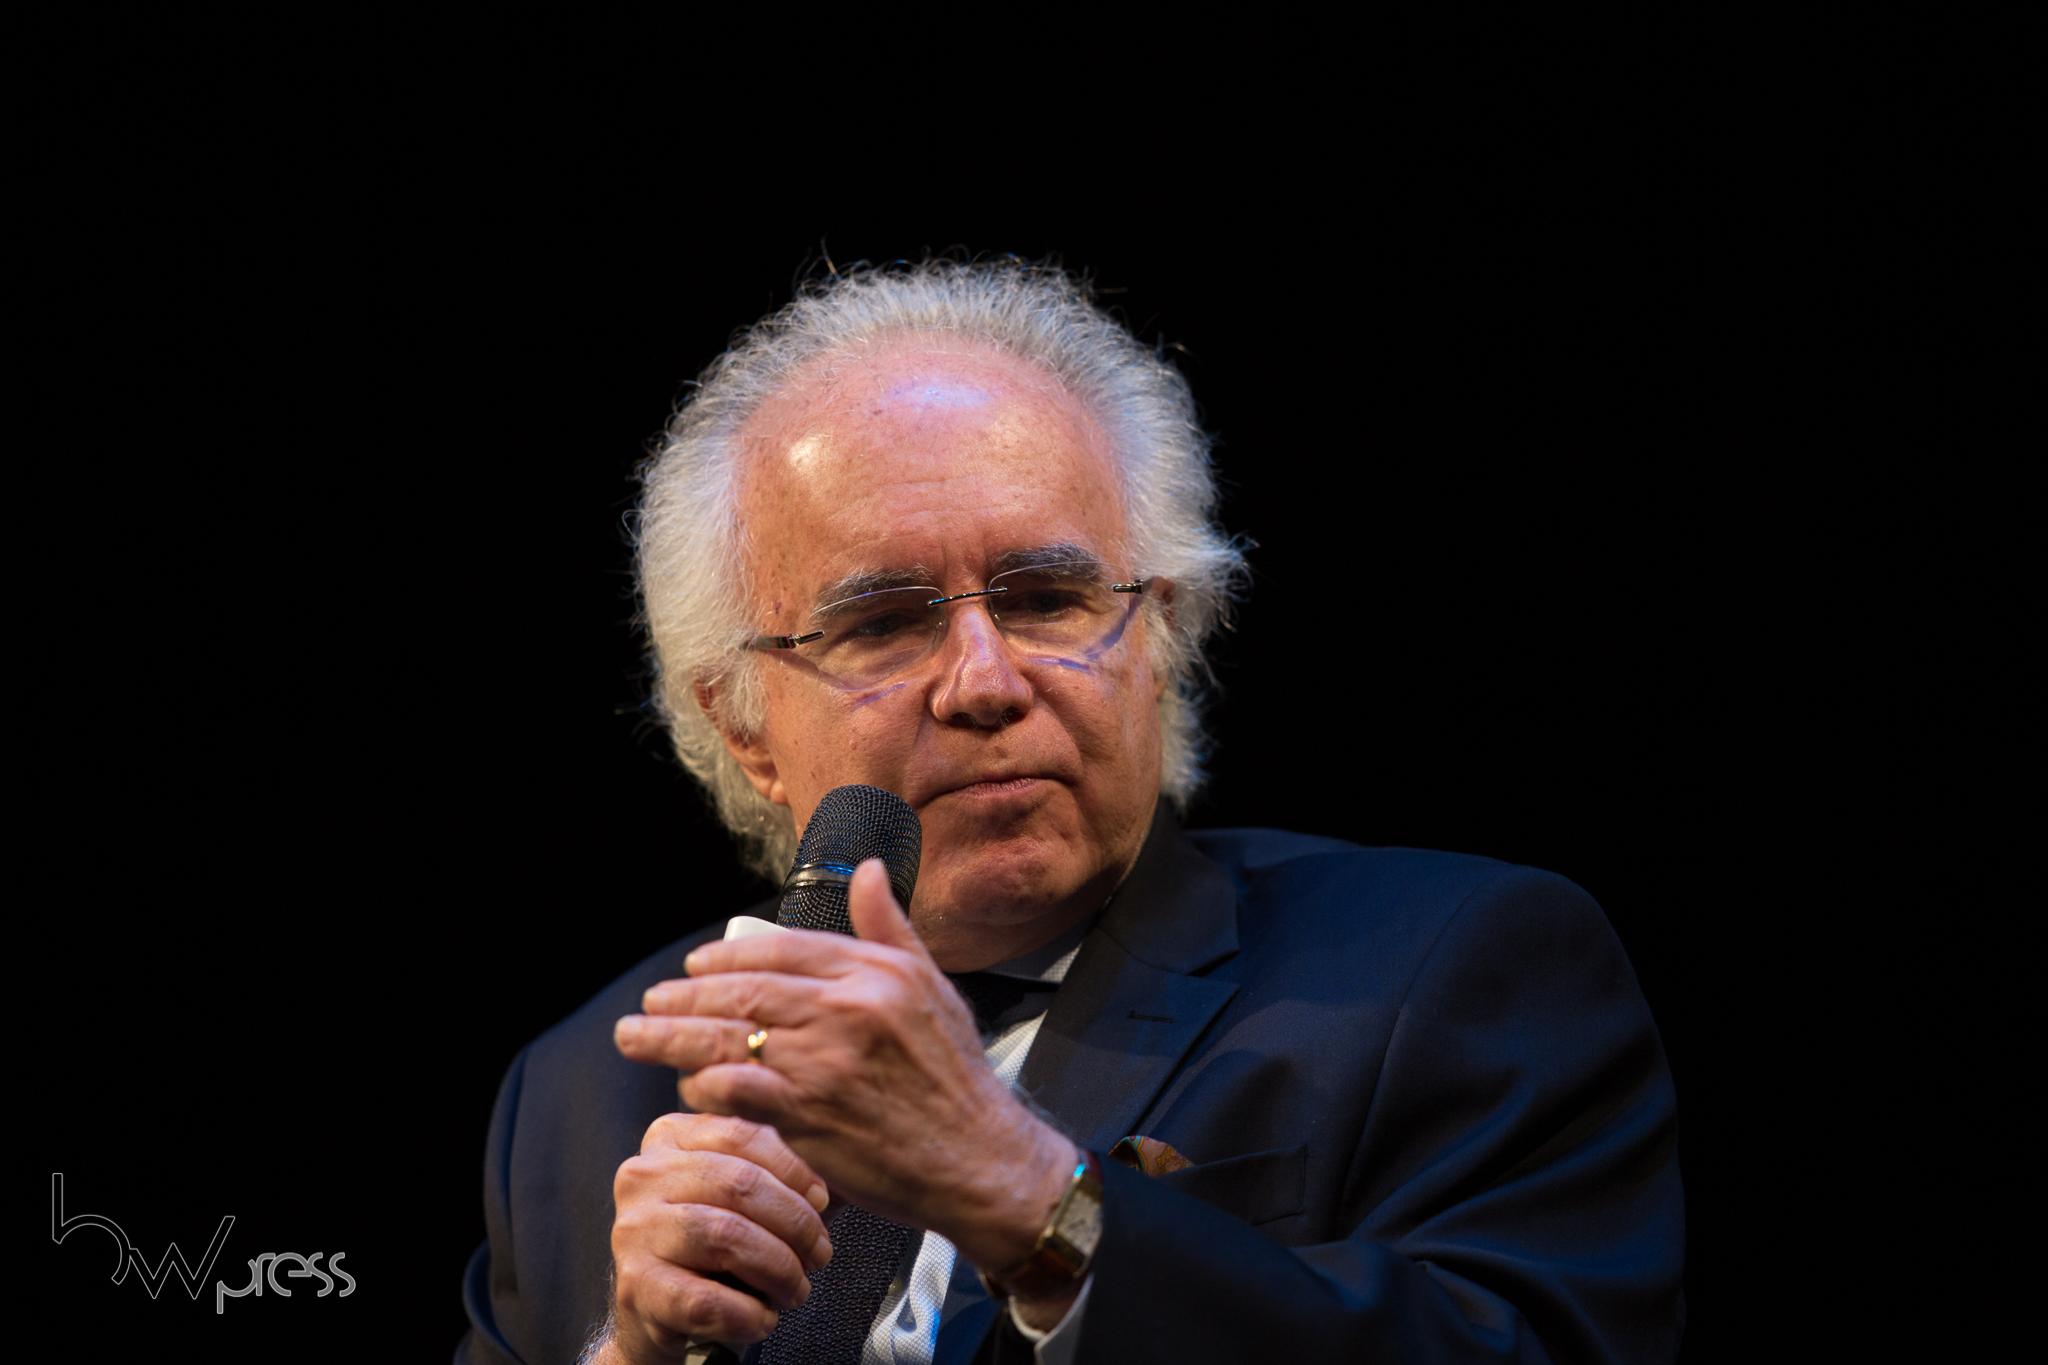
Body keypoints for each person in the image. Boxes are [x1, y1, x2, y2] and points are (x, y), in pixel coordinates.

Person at [456, 260, 1684, 1365]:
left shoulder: (1450, 970)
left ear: (1158, 639)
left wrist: (1027, 1192)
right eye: (882, 622)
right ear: (743, 728)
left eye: (1045, 598)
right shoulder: (581, 1097)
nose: (984, 682)